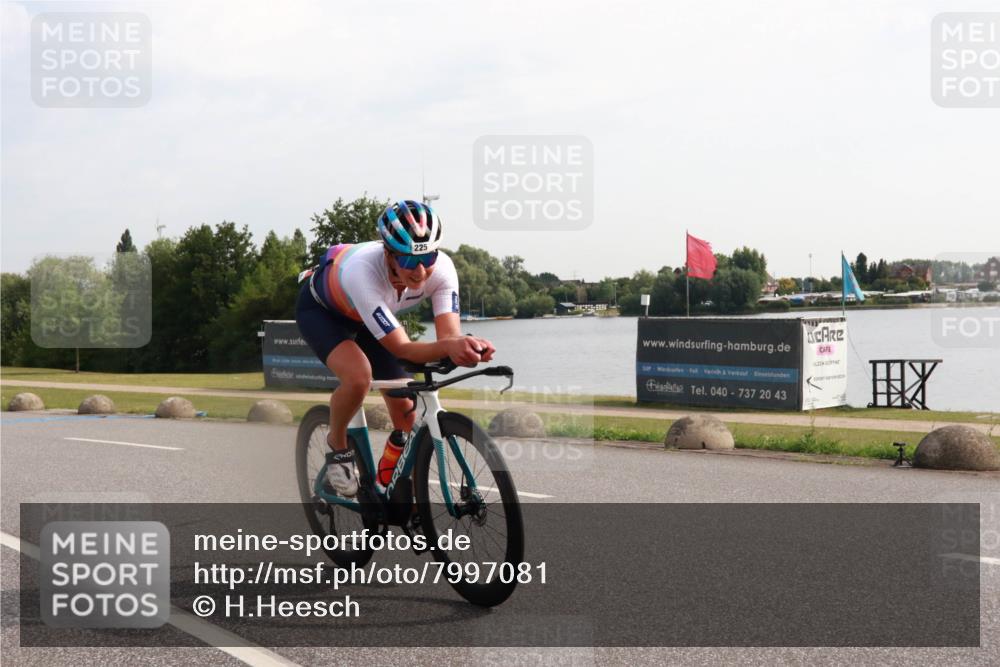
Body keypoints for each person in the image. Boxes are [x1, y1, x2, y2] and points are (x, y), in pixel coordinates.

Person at [295, 200, 495, 497]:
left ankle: (397, 488)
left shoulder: (442, 270)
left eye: (428, 257)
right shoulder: (363, 271)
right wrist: (451, 346)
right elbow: (402, 348)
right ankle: (337, 446)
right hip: (323, 313)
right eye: (409, 261)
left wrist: (465, 346)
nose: (420, 271)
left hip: (368, 316)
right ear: (388, 253)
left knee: (406, 411)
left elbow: (448, 335)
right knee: (359, 377)